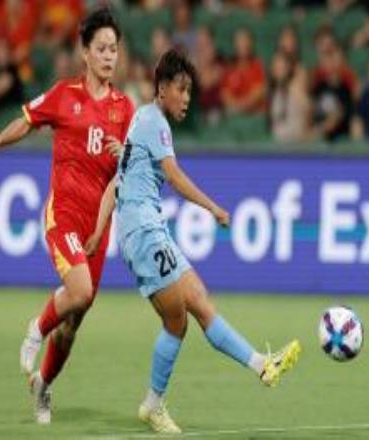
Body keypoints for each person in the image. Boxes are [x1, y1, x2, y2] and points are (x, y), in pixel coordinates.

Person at [85, 49, 301, 434]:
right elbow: (175, 177)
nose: (187, 98)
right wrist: (213, 208)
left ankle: (262, 366)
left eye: (190, 91)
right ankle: (153, 405)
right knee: (176, 322)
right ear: (162, 88)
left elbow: (117, 182)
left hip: (148, 230)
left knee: (199, 299)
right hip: (144, 233)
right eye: (181, 89)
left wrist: (100, 230)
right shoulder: (154, 123)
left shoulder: (141, 121)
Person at [0, 8, 134, 424]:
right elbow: (27, 121)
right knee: (78, 292)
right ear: (85, 52)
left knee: (74, 322)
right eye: (101, 48)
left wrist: (125, 157)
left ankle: (43, 386)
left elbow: (128, 175)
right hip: (63, 214)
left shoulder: (124, 109)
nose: (109, 56)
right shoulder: (65, 95)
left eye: (113, 49)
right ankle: (36, 329)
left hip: (97, 227)